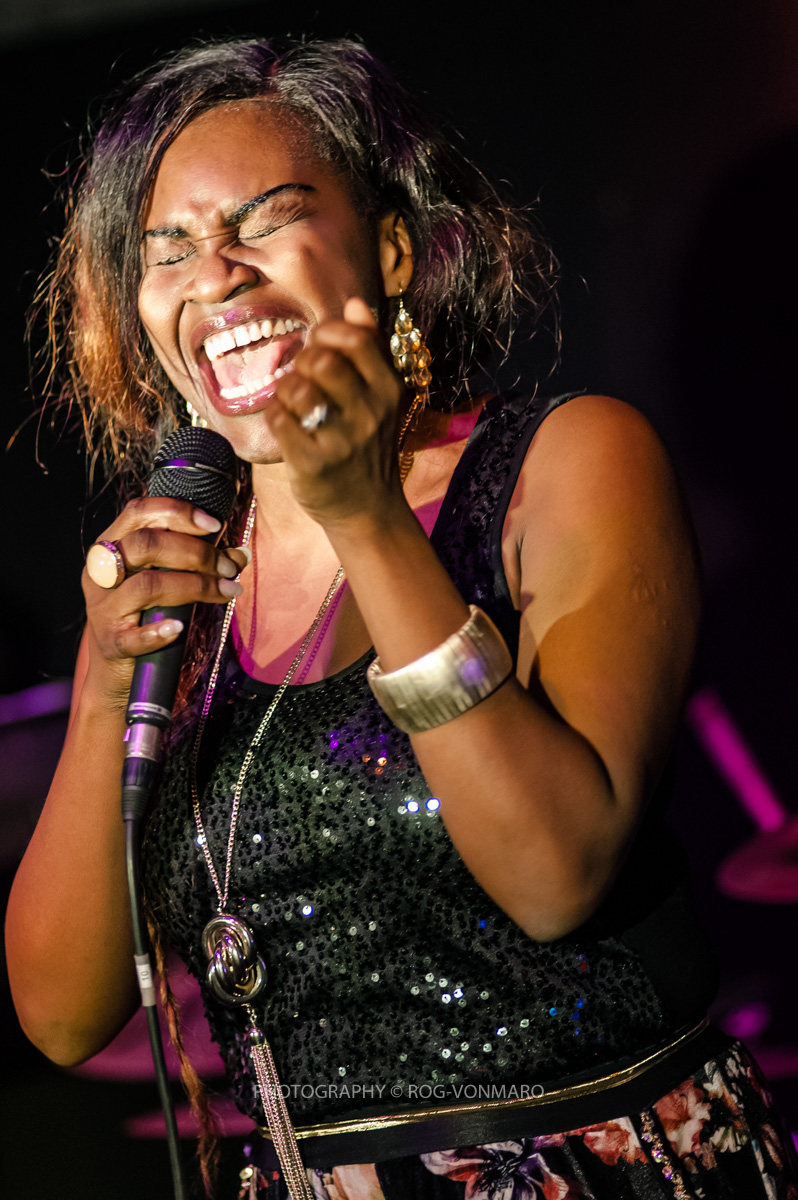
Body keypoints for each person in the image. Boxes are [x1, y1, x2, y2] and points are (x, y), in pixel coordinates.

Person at [5, 36, 796, 1200]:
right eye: (167, 251)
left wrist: (367, 514)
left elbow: (556, 875)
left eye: (266, 222)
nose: (214, 274)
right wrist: (103, 688)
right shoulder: (171, 577)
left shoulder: (564, 466)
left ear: (388, 248)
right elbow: (62, 1015)